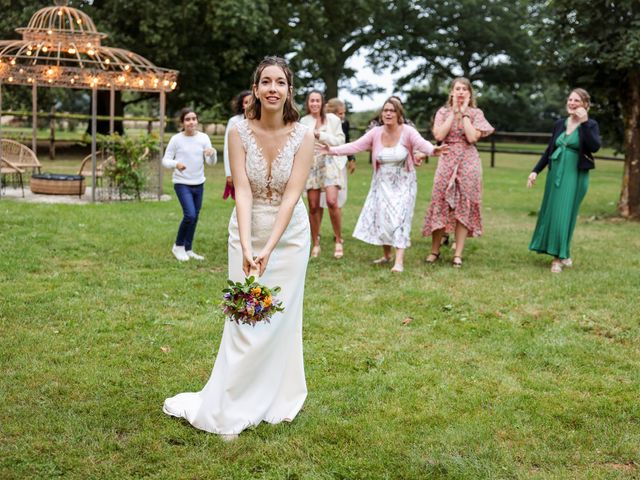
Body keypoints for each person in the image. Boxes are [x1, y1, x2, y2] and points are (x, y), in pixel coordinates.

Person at [163, 56, 314, 439]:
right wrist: (248, 246)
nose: (273, 89)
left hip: (290, 237)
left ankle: (275, 395)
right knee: (244, 317)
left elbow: (292, 197)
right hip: (245, 231)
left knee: (279, 317)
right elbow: (242, 191)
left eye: (280, 82)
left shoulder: (304, 135)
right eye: (266, 81)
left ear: (289, 90)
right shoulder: (237, 131)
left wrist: (269, 247)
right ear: (256, 88)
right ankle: (232, 399)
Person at [321, 97, 447, 272]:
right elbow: (355, 146)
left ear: (398, 114)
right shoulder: (376, 133)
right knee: (384, 219)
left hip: (404, 182)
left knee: (400, 218)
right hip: (381, 183)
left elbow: (422, 144)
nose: (388, 113)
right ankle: (387, 255)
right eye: (385, 110)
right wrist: (332, 151)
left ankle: (399, 261)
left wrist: (433, 150)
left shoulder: (408, 132)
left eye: (392, 110)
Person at [422, 77, 494, 268]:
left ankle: (458, 253)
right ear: (451, 92)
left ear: (469, 93)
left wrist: (464, 114)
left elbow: (471, 137)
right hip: (447, 158)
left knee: (464, 204)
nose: (460, 92)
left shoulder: (476, 113)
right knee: (440, 201)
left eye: (464, 89)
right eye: (457, 89)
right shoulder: (442, 112)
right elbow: (439, 136)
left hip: (468, 161)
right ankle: (434, 250)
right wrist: (453, 114)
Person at [527, 88, 600, 273]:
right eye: (570, 99)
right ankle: (563, 252)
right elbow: (549, 150)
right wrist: (536, 171)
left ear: (585, 105)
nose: (572, 103)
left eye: (576, 100)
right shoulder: (560, 123)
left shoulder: (590, 124)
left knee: (565, 214)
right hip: (555, 174)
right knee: (553, 213)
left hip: (575, 176)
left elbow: (594, 146)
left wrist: (583, 123)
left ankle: (558, 258)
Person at [162, 108, 217, 262]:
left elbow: (210, 163)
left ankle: (188, 248)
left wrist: (212, 154)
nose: (191, 122)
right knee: (190, 215)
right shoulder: (176, 139)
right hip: (182, 183)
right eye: (188, 119)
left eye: (194, 119)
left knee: (195, 217)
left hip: (199, 183)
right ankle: (178, 246)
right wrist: (176, 163)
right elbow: (165, 160)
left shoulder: (204, 138)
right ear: (182, 122)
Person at [300, 91, 346, 259]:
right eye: (311, 100)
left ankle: (339, 240)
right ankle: (316, 242)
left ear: (322, 103)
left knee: (332, 201)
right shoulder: (303, 122)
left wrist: (321, 135)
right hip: (312, 165)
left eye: (317, 100)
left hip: (330, 163)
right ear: (308, 103)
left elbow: (340, 141)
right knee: (313, 206)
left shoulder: (333, 120)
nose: (314, 104)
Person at [322, 98, 355, 210]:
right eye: (340, 113)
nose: (343, 116)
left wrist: (351, 159)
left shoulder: (344, 123)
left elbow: (347, 142)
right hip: (323, 161)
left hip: (339, 161)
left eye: (344, 113)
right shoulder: (323, 122)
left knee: (337, 198)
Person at [222, 90, 252, 200]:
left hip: (255, 167)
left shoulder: (261, 120)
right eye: (246, 102)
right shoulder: (234, 121)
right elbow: (227, 148)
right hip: (239, 166)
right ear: (242, 105)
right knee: (242, 199)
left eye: (252, 101)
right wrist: (229, 173)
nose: (249, 104)